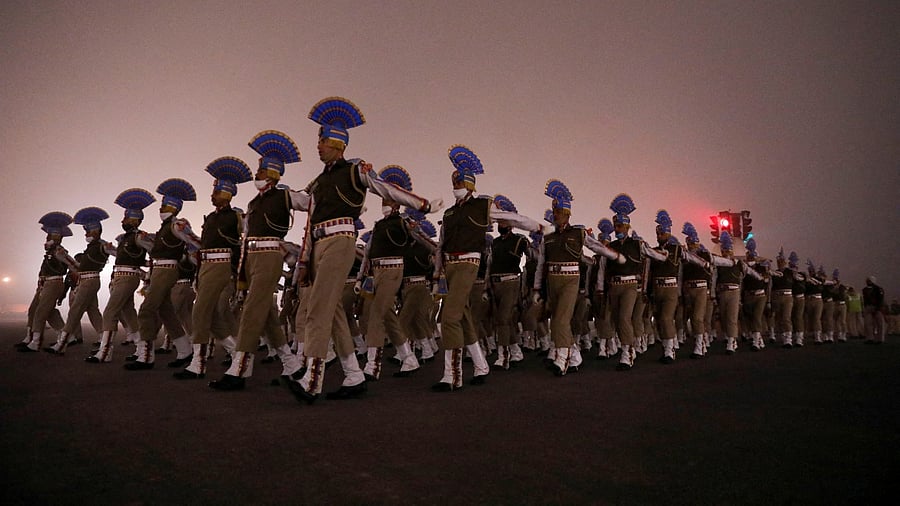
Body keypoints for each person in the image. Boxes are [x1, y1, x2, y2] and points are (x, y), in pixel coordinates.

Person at [285, 97, 442, 403]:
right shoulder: (319, 181)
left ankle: (312, 380)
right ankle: (354, 375)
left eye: (322, 141)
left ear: (337, 143)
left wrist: (422, 205)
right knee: (333, 312)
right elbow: (307, 213)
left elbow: (386, 188)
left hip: (340, 240)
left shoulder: (355, 169)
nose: (318, 146)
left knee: (318, 308)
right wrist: (303, 259)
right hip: (318, 244)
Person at [430, 145, 542, 391]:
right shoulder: (449, 213)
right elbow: (440, 245)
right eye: (454, 180)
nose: (455, 184)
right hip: (450, 266)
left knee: (449, 317)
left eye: (460, 180)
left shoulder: (483, 205)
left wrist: (538, 227)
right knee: (464, 317)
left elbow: (512, 218)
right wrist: (437, 275)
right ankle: (481, 365)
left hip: (468, 263)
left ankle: (452, 375)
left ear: (470, 184)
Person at [209, 131, 305, 390]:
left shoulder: (285, 195)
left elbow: (313, 202)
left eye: (261, 170)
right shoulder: (253, 203)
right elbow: (245, 235)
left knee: (252, 310)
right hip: (252, 257)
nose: (257, 174)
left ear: (272, 173)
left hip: (270, 256)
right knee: (268, 316)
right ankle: (292, 365)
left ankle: (240, 370)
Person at [534, 180, 623, 376]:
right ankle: (574, 356)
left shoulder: (578, 233)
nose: (556, 214)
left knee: (561, 320)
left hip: (570, 279)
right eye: (554, 211)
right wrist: (537, 288)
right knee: (557, 320)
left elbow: (596, 246)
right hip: (552, 280)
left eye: (559, 211)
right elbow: (540, 265)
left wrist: (614, 255)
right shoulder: (547, 236)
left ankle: (562, 360)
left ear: (567, 214)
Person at [175, 156, 251, 380]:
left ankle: (198, 363)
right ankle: (236, 354)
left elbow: (247, 236)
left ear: (227, 194)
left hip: (221, 265)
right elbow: (205, 244)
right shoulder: (210, 218)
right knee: (215, 316)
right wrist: (188, 235)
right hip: (206, 266)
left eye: (217, 192)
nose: (212, 195)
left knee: (200, 310)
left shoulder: (236, 217)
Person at [355, 165, 424, 381]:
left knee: (376, 313)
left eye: (388, 199)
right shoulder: (378, 225)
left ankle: (373, 364)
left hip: (393, 269)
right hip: (377, 271)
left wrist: (415, 229)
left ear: (397, 202)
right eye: (383, 199)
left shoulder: (402, 222)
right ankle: (409, 358)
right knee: (387, 316)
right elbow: (368, 253)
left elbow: (422, 241)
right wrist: (361, 277)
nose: (384, 202)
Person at [125, 179, 201, 370]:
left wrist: (209, 252)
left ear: (174, 207)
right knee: (166, 312)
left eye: (165, 205)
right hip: (160, 270)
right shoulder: (165, 228)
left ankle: (146, 356)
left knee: (147, 309)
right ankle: (185, 351)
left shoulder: (176, 225)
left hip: (166, 270)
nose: (161, 208)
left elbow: (194, 240)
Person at [86, 189, 155, 363]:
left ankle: (105, 352)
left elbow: (155, 251)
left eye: (126, 218)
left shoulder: (138, 237)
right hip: (121, 277)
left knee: (110, 312)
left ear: (135, 220)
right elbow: (129, 256)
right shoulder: (126, 238)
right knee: (129, 312)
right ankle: (141, 347)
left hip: (127, 277)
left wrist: (151, 269)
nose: (122, 221)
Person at [604, 194, 667, 371]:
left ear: (627, 226)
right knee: (617, 319)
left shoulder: (637, 244)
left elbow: (653, 255)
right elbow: (603, 268)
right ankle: (627, 347)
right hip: (614, 286)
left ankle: (627, 352)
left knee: (625, 317)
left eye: (620, 226)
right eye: (616, 226)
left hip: (630, 286)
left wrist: (664, 255)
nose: (617, 228)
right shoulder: (612, 246)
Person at [45, 207, 113, 354]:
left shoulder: (102, 245)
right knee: (92, 311)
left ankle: (62, 344)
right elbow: (80, 267)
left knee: (75, 311)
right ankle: (103, 339)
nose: (86, 234)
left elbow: (117, 254)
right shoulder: (93, 247)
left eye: (88, 231)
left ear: (96, 231)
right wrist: (66, 259)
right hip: (88, 280)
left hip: (89, 281)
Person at [648, 210, 709, 363]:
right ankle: (667, 347)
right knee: (660, 320)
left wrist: (704, 264)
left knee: (679, 318)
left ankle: (685, 348)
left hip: (674, 288)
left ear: (668, 233)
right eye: (658, 234)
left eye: (662, 233)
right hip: (659, 288)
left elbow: (692, 259)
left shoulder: (677, 250)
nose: (659, 236)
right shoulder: (654, 251)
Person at [18, 213, 78, 352]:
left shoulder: (59, 251)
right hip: (44, 284)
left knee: (40, 312)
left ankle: (36, 342)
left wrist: (81, 272)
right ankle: (67, 336)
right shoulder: (50, 251)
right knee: (41, 310)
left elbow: (73, 264)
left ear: (56, 237)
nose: (47, 238)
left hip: (53, 283)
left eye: (50, 236)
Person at [486, 195, 530, 370]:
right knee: (505, 320)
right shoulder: (495, 243)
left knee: (503, 319)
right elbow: (490, 264)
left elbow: (534, 257)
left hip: (511, 282)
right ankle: (516, 351)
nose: (500, 224)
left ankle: (503, 356)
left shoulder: (520, 240)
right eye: (499, 221)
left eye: (504, 221)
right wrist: (488, 284)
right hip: (495, 283)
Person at [714, 231, 762, 354]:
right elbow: (714, 278)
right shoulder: (719, 263)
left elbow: (749, 270)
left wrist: (759, 277)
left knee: (732, 317)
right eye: (725, 250)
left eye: (729, 250)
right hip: (722, 292)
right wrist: (714, 294)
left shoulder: (738, 263)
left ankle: (731, 342)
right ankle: (730, 337)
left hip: (734, 292)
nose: (727, 252)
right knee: (724, 317)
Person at [741, 238, 771, 351]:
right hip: (748, 295)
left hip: (760, 295)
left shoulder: (761, 266)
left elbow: (767, 281)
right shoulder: (744, 267)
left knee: (757, 317)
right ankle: (758, 339)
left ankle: (755, 342)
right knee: (750, 317)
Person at [862, 276, 886, 344]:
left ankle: (880, 339)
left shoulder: (878, 289)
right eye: (867, 280)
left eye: (869, 280)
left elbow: (880, 299)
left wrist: (878, 308)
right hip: (868, 307)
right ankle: (870, 338)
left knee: (880, 324)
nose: (868, 282)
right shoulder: (865, 289)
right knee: (868, 324)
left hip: (877, 307)